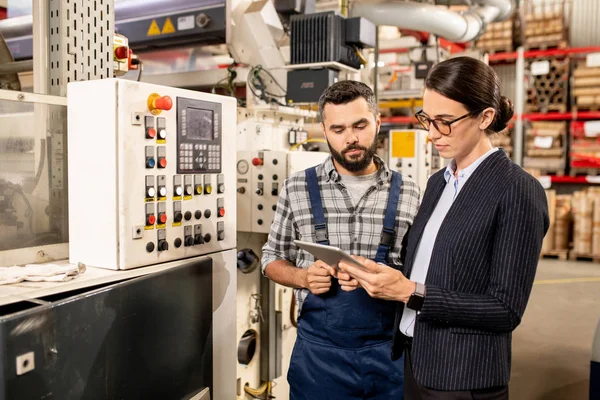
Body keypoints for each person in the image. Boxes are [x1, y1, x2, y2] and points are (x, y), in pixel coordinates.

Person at [339, 57, 550, 400]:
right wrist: (376, 275)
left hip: (463, 376)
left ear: (485, 117)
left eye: (445, 122)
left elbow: (505, 309)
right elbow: (427, 266)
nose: (432, 133)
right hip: (416, 357)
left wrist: (410, 292)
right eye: (427, 119)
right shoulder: (439, 182)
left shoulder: (517, 189)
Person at [261, 80, 420, 400]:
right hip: (319, 363)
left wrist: (397, 282)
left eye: (360, 125)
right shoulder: (297, 188)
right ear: (323, 129)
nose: (351, 138)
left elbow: (424, 273)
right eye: (338, 129)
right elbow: (271, 258)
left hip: (387, 358)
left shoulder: (409, 193)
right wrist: (303, 277)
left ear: (378, 122)